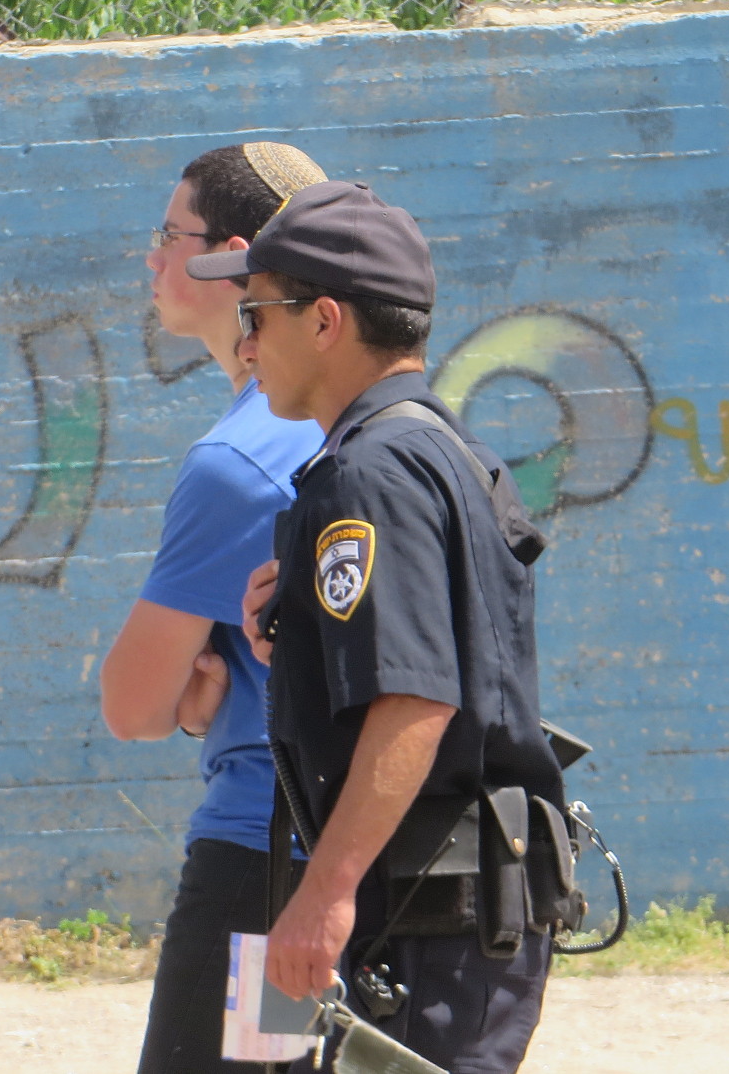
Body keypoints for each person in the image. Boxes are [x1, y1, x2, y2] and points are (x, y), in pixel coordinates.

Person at [187, 180, 565, 1074]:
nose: (244, 345)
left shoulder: (375, 474)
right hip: (412, 906)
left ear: (324, 320)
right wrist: (304, 633)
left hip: (414, 920)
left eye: (257, 313)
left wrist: (325, 897)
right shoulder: (430, 448)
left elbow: (417, 701)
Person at [100, 142, 330, 1074]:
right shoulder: (351, 414)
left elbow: (133, 706)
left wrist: (198, 683)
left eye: (168, 235)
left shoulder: (236, 462)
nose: (151, 258)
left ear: (230, 256)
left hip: (258, 868)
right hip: (341, 856)